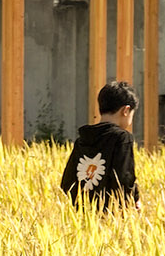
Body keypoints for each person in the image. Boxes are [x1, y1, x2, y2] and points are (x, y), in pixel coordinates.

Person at [60, 80, 141, 212]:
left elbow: (67, 182)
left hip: (82, 216)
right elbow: (124, 177)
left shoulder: (82, 139)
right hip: (112, 215)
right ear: (126, 110)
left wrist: (79, 207)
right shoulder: (122, 138)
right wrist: (133, 200)